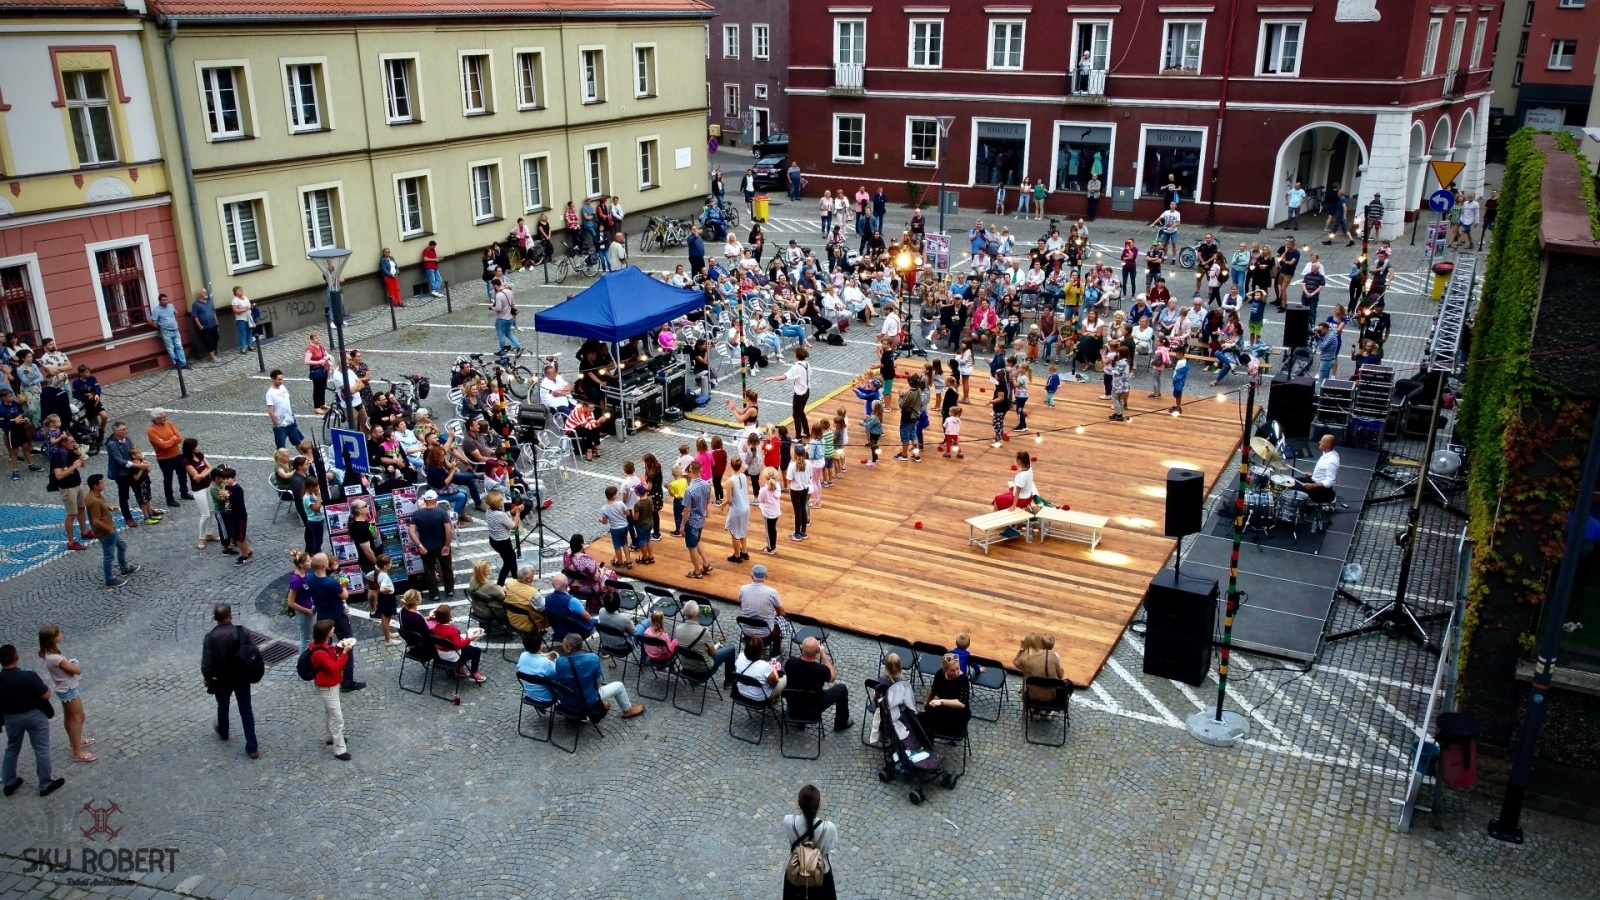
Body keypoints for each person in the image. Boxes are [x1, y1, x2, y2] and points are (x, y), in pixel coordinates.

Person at [0, 643, 65, 797]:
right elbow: (46, 695)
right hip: (34, 716)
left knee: (12, 748)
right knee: (41, 749)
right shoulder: (28, 676)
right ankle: (45, 784)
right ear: (17, 657)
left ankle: (9, 783)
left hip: (11, 718)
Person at [200, 604, 263, 759]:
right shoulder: (241, 632)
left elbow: (206, 664)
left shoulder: (210, 638)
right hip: (241, 677)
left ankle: (223, 730)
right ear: (230, 616)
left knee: (223, 705)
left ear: (215, 618)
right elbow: (254, 652)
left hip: (221, 679)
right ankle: (252, 746)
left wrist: (208, 678)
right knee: (246, 710)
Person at [306, 554, 365, 692]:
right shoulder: (330, 583)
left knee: (324, 647)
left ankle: (327, 673)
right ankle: (347, 682)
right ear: (323, 565)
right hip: (337, 617)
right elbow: (345, 595)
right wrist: (343, 584)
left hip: (322, 616)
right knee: (347, 645)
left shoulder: (309, 578)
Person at [37, 625, 94, 763]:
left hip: (61, 687)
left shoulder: (48, 653)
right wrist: (74, 664)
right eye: (58, 634)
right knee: (78, 717)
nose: (61, 635)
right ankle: (77, 751)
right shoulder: (56, 657)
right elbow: (76, 670)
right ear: (52, 639)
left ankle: (74, 743)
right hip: (69, 689)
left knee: (69, 716)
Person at [557, 632, 645, 718]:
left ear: (568, 648)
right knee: (619, 686)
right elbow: (598, 683)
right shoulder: (592, 658)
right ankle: (627, 710)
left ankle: (601, 706)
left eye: (563, 645)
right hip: (588, 702)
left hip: (567, 704)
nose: (562, 646)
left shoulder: (559, 662)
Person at [783, 637, 852, 732]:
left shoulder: (790, 662)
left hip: (793, 705)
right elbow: (832, 677)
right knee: (842, 689)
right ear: (817, 651)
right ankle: (841, 723)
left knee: (798, 689)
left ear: (801, 648)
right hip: (814, 706)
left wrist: (805, 651)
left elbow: (799, 666)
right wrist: (823, 655)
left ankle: (800, 723)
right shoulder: (820, 670)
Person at [308, 619, 355, 761]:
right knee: (337, 718)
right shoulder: (319, 652)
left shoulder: (319, 645)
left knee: (330, 712)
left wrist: (338, 648)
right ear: (326, 633)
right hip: (327, 686)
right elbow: (334, 667)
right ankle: (339, 749)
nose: (334, 629)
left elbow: (330, 654)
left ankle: (330, 737)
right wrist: (345, 652)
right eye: (331, 628)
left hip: (329, 685)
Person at [782, 784, 838, 899]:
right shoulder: (829, 828)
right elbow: (831, 847)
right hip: (821, 873)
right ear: (818, 804)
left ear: (799, 803)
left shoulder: (788, 822)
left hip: (795, 871)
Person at [85, 473, 137, 588]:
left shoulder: (94, 496)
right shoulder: (94, 501)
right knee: (108, 555)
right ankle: (109, 579)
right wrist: (109, 529)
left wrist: (109, 508)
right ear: (95, 485)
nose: (104, 485)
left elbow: (100, 508)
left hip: (109, 529)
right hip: (106, 532)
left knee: (122, 546)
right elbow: (95, 521)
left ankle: (125, 568)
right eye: (102, 483)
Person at [408, 489, 454, 602]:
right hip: (441, 545)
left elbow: (411, 531)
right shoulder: (442, 513)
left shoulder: (417, 514)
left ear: (424, 499)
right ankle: (449, 590)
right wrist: (447, 545)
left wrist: (419, 545)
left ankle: (434, 594)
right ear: (436, 499)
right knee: (446, 568)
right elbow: (448, 530)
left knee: (429, 571)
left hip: (426, 547)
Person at [49, 432, 90, 552]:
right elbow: (59, 475)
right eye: (71, 442)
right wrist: (73, 467)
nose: (74, 444)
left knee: (81, 508)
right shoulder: (58, 456)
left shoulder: (71, 451)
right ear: (63, 443)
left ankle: (84, 531)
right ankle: (71, 542)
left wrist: (79, 454)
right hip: (67, 488)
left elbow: (82, 465)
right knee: (71, 514)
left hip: (78, 484)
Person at [429, 603, 485, 683]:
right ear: (448, 617)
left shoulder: (436, 627)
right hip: (453, 655)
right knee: (476, 651)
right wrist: (469, 638)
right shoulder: (451, 630)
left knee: (468, 647)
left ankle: (460, 669)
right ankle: (474, 673)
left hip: (441, 653)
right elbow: (458, 645)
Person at [764, 347, 812, 439]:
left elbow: (784, 377)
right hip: (807, 390)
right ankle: (806, 432)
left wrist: (771, 378)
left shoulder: (796, 368)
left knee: (796, 415)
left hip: (799, 393)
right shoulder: (807, 364)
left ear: (797, 355)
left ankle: (798, 437)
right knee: (801, 412)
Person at [920, 651, 970, 737]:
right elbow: (933, 691)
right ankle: (923, 743)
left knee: (928, 723)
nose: (956, 672)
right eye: (952, 670)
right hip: (943, 710)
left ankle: (926, 745)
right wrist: (927, 704)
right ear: (945, 669)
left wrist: (941, 701)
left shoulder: (963, 680)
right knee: (920, 719)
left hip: (958, 716)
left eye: (958, 668)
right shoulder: (940, 674)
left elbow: (961, 704)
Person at [739, 563, 785, 654]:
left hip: (747, 631)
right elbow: (781, 612)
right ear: (766, 577)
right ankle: (776, 650)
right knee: (782, 622)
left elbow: (741, 602)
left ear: (751, 576)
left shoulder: (743, 589)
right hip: (765, 634)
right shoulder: (772, 592)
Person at [1013, 632, 1064, 709]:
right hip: (1050, 697)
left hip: (1032, 697)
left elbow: (1016, 662)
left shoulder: (1028, 660)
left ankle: (1036, 711)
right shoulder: (1053, 656)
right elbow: (1061, 675)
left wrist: (1021, 649)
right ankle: (1048, 712)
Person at [683, 459, 713, 578]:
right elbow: (707, 501)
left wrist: (681, 525)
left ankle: (697, 571)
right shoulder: (706, 485)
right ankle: (706, 563)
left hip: (692, 521)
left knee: (692, 546)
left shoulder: (689, 490)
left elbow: (687, 510)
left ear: (690, 471)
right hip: (702, 518)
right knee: (698, 540)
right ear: (701, 470)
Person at [1295, 434, 1340, 503]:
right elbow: (1324, 473)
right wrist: (1313, 475)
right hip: (1315, 480)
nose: (1319, 442)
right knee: (1291, 481)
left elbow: (1330, 482)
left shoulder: (1331, 461)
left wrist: (1312, 486)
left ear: (1328, 444)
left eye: (1321, 441)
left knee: (1289, 488)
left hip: (1321, 490)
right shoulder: (1329, 454)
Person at [152, 292, 189, 369]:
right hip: (166, 331)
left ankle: (183, 363)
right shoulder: (157, 310)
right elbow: (151, 321)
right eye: (164, 300)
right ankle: (176, 364)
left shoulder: (171, 306)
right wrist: (159, 327)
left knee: (179, 346)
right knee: (170, 348)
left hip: (175, 329)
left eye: (167, 300)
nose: (166, 301)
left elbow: (174, 313)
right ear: (160, 301)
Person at [190, 288, 220, 362]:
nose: (205, 293)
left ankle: (213, 354)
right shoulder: (196, 304)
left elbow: (213, 313)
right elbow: (195, 317)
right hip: (205, 327)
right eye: (203, 292)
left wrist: (216, 323)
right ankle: (212, 356)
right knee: (208, 341)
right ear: (199, 294)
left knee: (216, 339)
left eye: (206, 292)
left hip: (213, 325)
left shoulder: (209, 302)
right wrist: (200, 327)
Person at [230, 286, 256, 352]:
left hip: (248, 317)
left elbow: (249, 306)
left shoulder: (245, 298)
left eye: (241, 290)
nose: (241, 291)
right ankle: (242, 348)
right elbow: (235, 310)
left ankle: (250, 345)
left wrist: (252, 307)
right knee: (243, 333)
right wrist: (245, 309)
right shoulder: (235, 300)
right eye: (239, 290)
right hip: (241, 319)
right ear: (235, 292)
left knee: (249, 332)